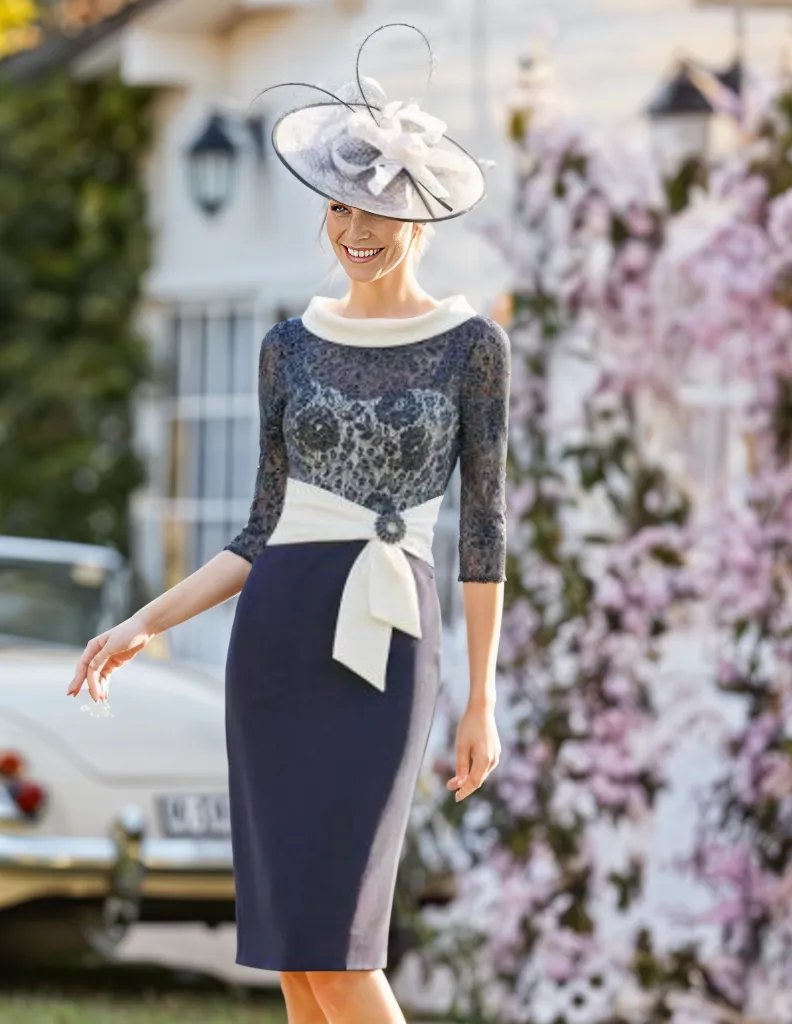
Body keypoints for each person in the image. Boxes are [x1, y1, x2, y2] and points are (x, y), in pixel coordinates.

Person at [66, 21, 510, 1024]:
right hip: (274, 649)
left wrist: (482, 698)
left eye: (380, 210)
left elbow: (483, 528)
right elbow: (258, 528)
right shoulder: (287, 346)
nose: (356, 226)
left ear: (421, 218)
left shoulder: (470, 346)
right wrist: (145, 622)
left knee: (346, 946)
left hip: (388, 651)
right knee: (297, 957)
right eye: (342, 204)